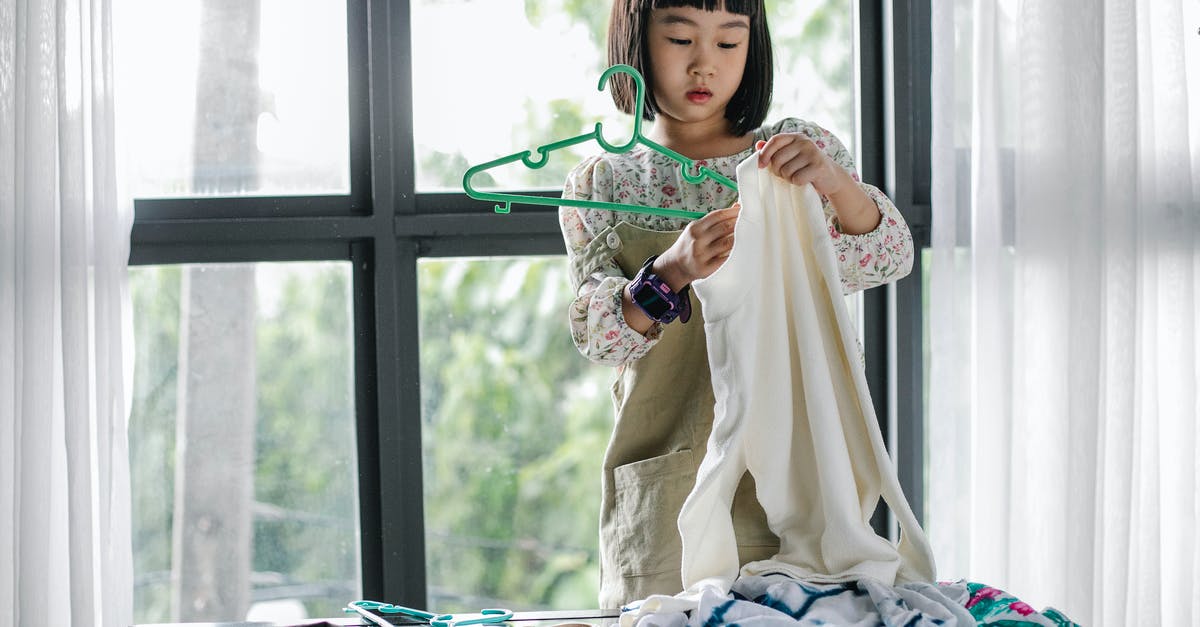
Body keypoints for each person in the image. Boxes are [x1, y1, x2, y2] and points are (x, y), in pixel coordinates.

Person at [557, 0, 914, 610]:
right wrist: (671, 270)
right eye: (679, 40)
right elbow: (599, 335)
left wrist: (832, 183)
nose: (704, 66)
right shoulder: (603, 184)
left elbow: (885, 256)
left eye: (728, 43)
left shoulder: (794, 153)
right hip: (670, 483)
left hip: (800, 472)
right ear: (635, 45)